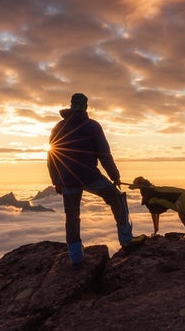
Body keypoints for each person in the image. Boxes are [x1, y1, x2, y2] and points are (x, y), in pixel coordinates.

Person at [47, 93, 132, 264]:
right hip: (90, 176)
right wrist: (115, 176)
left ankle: (76, 257)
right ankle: (127, 242)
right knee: (117, 198)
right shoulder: (92, 126)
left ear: (71, 105)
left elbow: (52, 156)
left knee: (72, 216)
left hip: (67, 179)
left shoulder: (58, 127)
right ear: (86, 106)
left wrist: (56, 181)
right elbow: (104, 155)